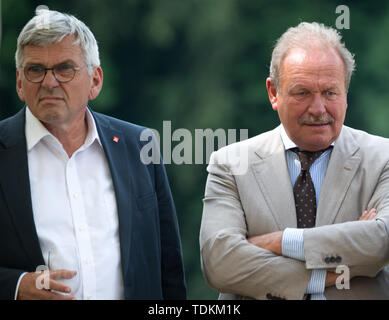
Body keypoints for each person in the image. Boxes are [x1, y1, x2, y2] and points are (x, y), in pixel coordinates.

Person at [0, 9, 186, 300]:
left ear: (95, 80)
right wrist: (15, 286)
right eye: (35, 70)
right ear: (20, 83)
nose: (49, 82)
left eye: (64, 68)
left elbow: (168, 266)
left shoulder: (139, 146)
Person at [200, 22, 389, 300]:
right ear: (273, 93)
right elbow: (219, 263)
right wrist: (323, 275)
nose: (318, 108)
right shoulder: (230, 163)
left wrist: (279, 241)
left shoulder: (383, 157)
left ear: (346, 93)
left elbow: (381, 241)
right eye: (302, 93)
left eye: (330, 93)